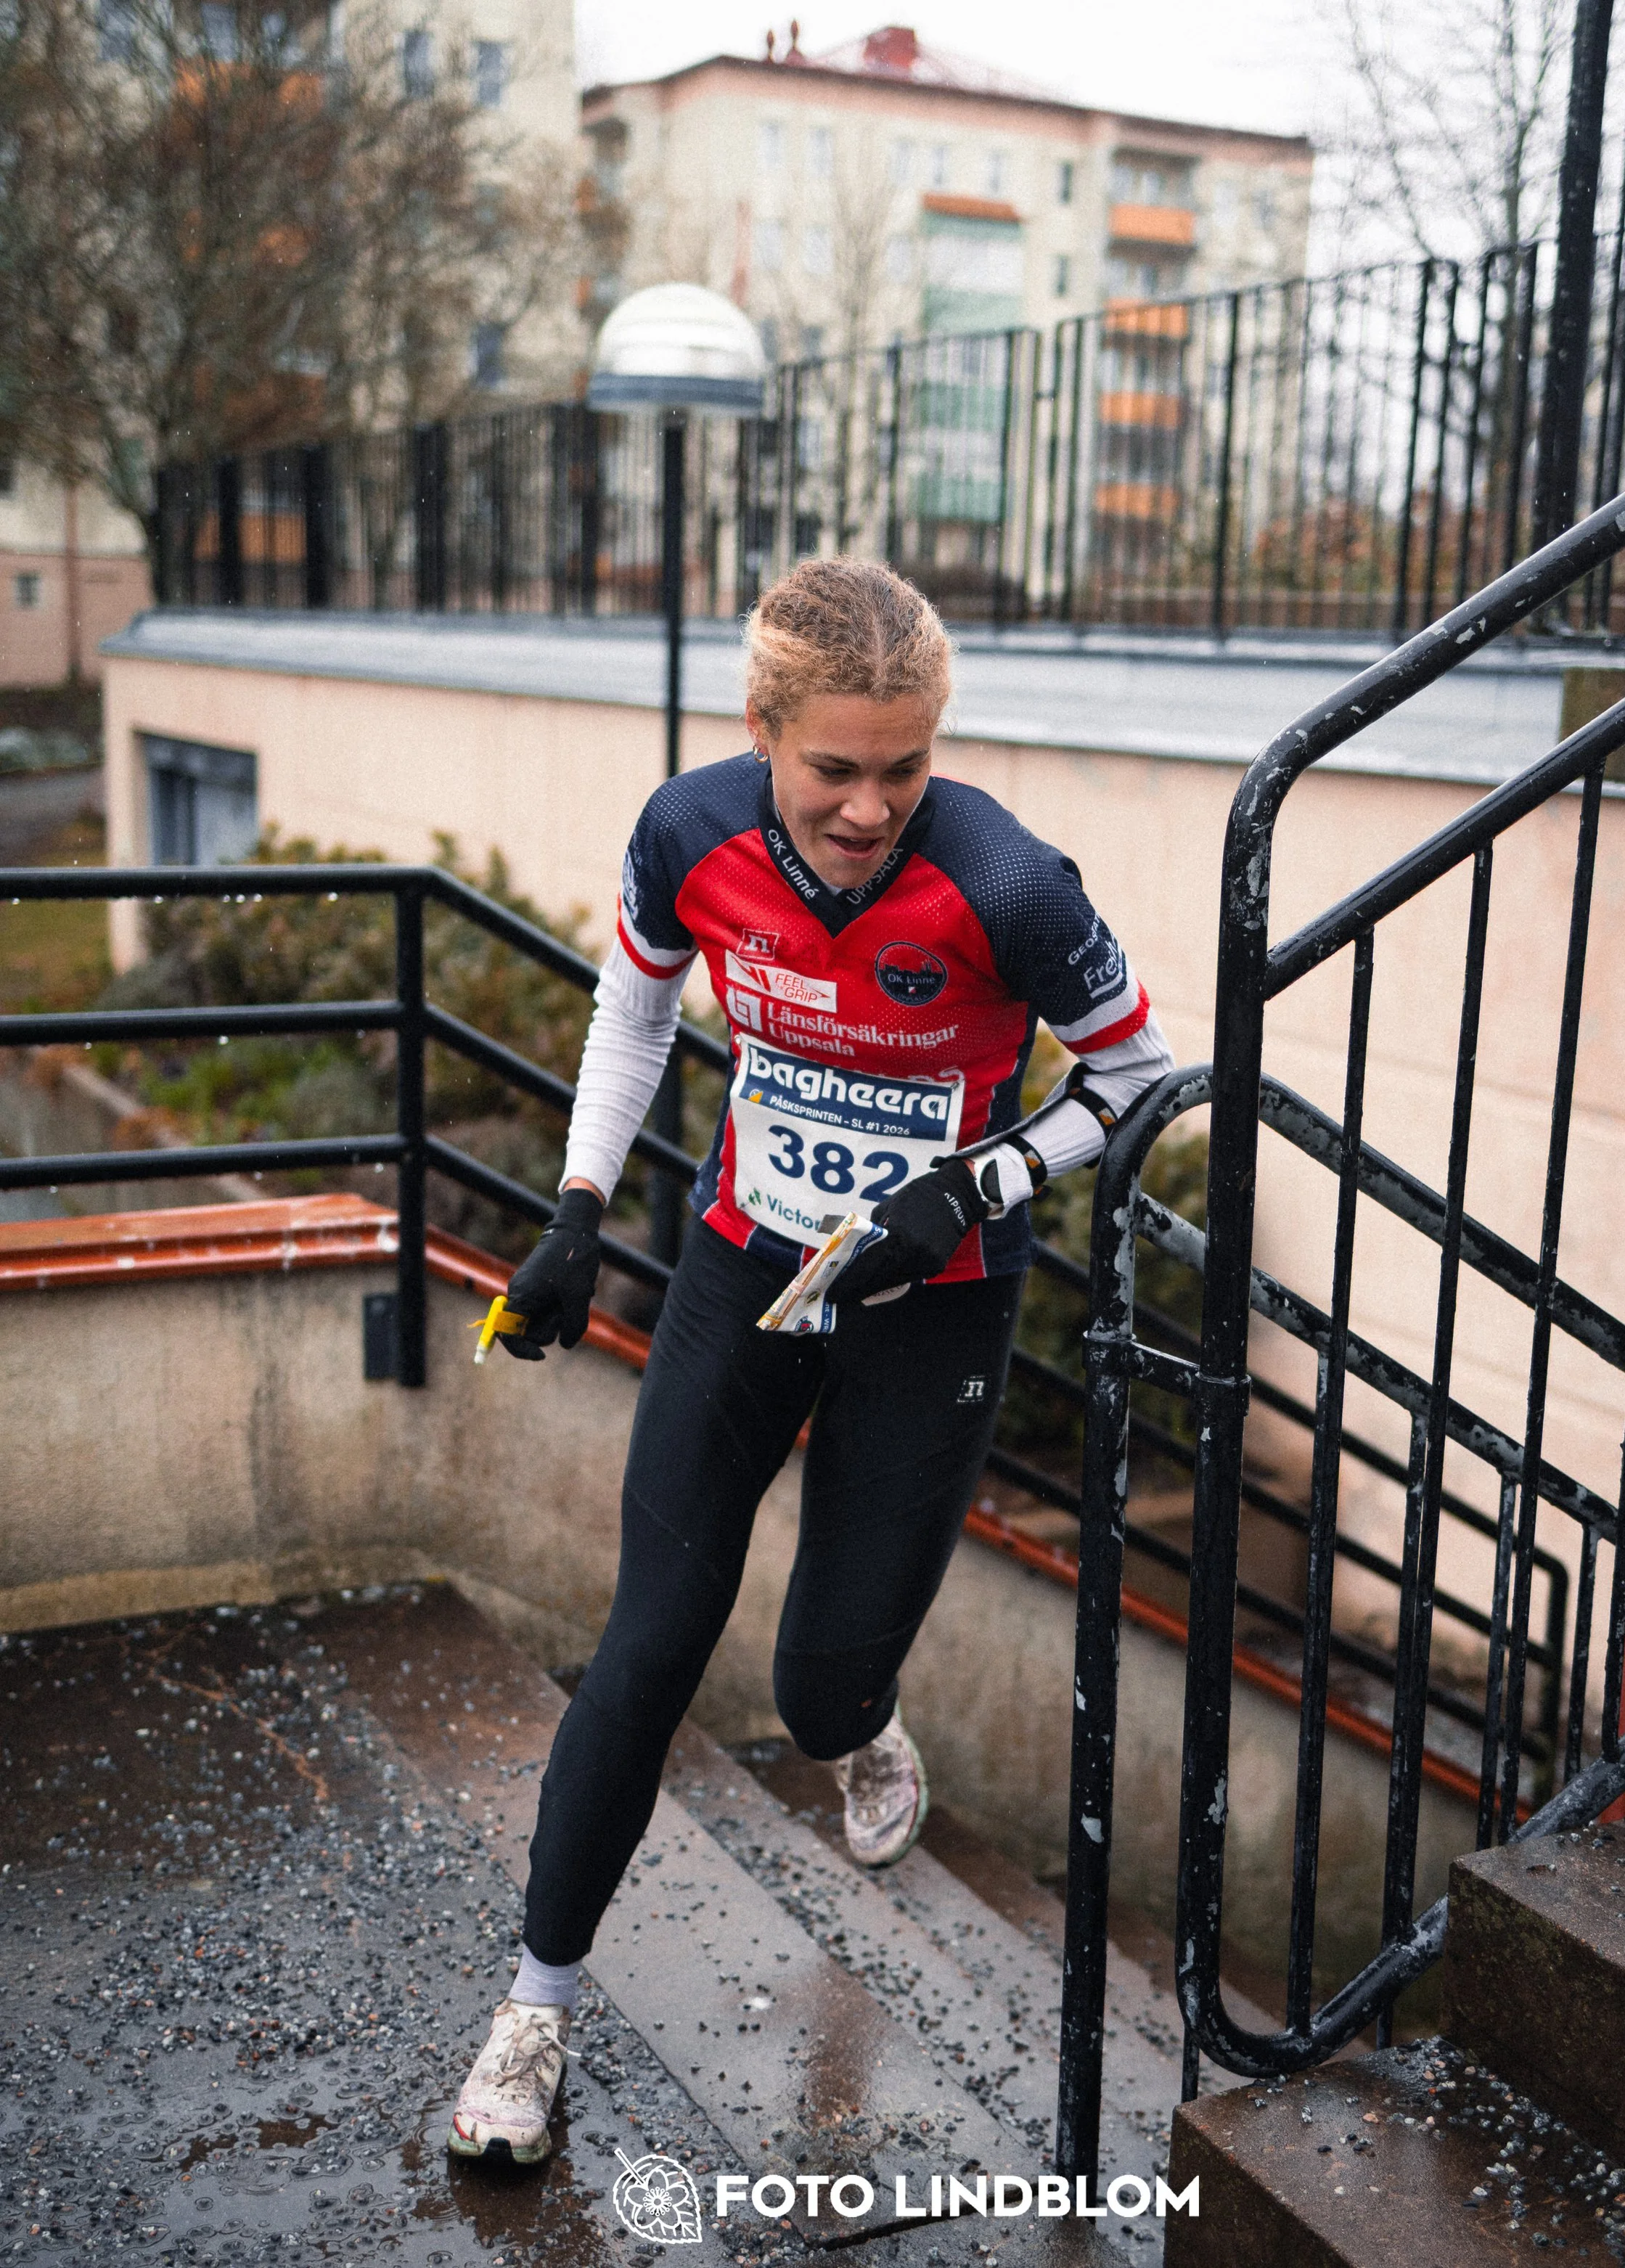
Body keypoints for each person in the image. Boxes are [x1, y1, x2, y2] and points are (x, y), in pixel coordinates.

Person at [447, 559, 1174, 2165]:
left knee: (812, 1680)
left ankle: (862, 1722)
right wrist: (575, 1206)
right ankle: (532, 2011)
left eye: (903, 767)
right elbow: (634, 1015)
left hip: (940, 1291)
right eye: (834, 767)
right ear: (763, 729)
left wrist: (972, 1182)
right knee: (643, 1645)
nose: (869, 807)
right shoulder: (685, 832)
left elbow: (1139, 1080)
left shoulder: (1008, 885)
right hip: (745, 1261)